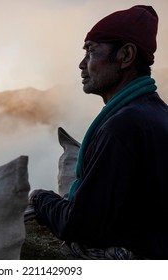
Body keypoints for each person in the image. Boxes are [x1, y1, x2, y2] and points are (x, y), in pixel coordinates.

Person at [29, 5, 168, 259]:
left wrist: (39, 198)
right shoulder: (158, 114)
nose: (82, 64)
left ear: (125, 55)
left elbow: (79, 226)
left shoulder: (123, 126)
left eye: (91, 51)